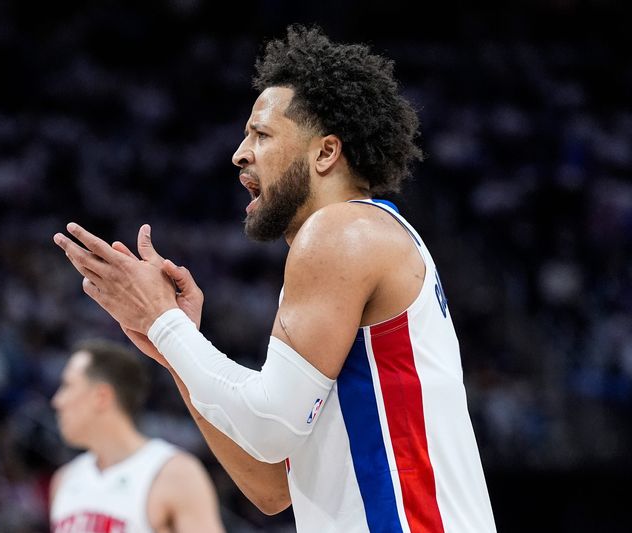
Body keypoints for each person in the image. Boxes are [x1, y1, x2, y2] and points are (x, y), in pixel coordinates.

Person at [53, 24, 497, 533]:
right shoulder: (364, 238)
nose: (239, 153)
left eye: (261, 134)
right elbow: (270, 486)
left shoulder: (342, 231)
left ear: (326, 153)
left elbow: (269, 428)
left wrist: (163, 323)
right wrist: (176, 346)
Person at [49, 338, 225, 533]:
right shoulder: (64, 480)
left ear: (101, 397)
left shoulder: (174, 473)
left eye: (67, 386)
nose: (57, 401)